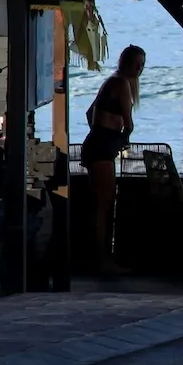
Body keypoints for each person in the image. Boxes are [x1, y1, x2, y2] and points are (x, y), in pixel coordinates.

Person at [80, 45, 147, 275]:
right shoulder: (121, 84)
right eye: (136, 64)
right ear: (125, 62)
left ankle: (99, 258)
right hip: (101, 147)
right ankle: (100, 260)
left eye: (142, 65)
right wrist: (119, 138)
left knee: (103, 203)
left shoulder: (113, 81)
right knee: (104, 205)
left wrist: (103, 132)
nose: (139, 69)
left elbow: (90, 113)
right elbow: (128, 123)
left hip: (99, 144)